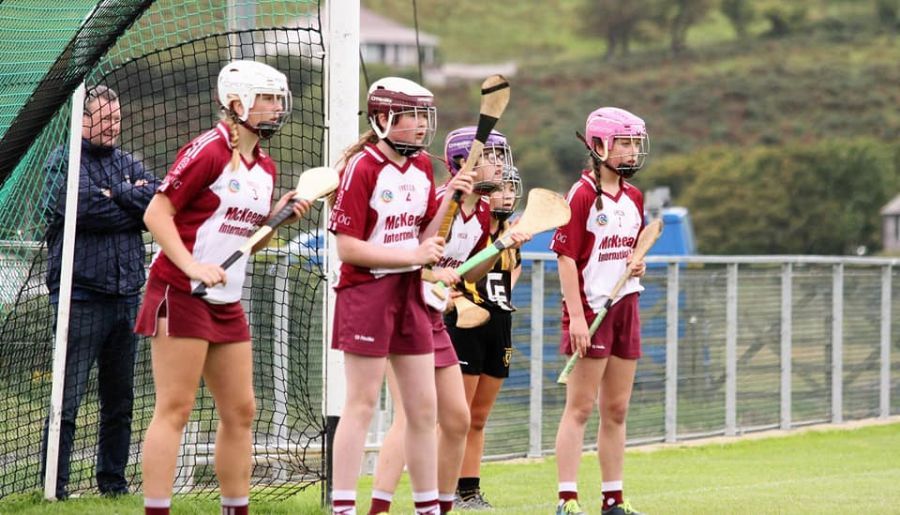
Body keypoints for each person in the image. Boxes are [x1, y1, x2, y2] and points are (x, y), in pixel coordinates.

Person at [133, 60, 310, 515]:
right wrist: (192, 265)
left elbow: (249, 240)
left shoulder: (264, 166)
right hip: (181, 291)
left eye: (278, 99)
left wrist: (277, 218)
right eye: (267, 98)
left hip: (226, 301)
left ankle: (235, 508)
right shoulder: (209, 150)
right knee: (176, 407)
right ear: (238, 102)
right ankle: (157, 509)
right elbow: (156, 214)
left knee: (241, 410)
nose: (276, 108)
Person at [328, 77, 481, 515]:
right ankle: (343, 508)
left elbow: (426, 236)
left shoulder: (420, 169)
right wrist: (411, 255)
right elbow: (348, 248)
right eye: (410, 116)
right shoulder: (363, 168)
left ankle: (427, 508)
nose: (420, 125)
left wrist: (451, 197)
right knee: (361, 404)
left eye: (423, 116)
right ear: (382, 118)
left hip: (410, 295)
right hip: (366, 293)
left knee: (423, 410)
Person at [365, 128, 528, 515]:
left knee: (457, 419)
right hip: (403, 310)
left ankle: (439, 506)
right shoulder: (440, 203)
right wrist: (434, 275)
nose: (500, 166)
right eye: (491, 157)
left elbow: (470, 273)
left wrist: (500, 247)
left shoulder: (482, 211)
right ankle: (378, 508)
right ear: (462, 163)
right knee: (409, 416)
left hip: (434, 318)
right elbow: (404, 260)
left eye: (500, 157)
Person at [40, 84, 159, 500]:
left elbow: (156, 203)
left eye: (116, 119)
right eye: (104, 119)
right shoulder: (63, 161)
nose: (112, 126)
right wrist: (130, 205)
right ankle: (54, 487)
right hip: (80, 298)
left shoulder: (129, 162)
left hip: (126, 299)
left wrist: (120, 194)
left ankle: (113, 484)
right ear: (83, 119)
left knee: (120, 401)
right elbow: (81, 208)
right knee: (67, 398)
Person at [550, 107, 650, 515]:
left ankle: (613, 500)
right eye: (624, 143)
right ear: (599, 145)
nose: (632, 152)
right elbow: (566, 258)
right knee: (580, 407)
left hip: (626, 305)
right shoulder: (582, 194)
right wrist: (576, 317)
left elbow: (629, 251)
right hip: (591, 310)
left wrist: (637, 264)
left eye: (634, 144)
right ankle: (567, 500)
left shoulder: (634, 196)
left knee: (617, 409)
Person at [446, 165, 525, 510]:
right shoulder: (472, 234)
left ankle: (469, 490)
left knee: (478, 418)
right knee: (457, 416)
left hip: (499, 326)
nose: (507, 196)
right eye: (501, 188)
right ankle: (444, 489)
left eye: (512, 189)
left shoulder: (512, 239)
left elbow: (513, 275)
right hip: (466, 324)